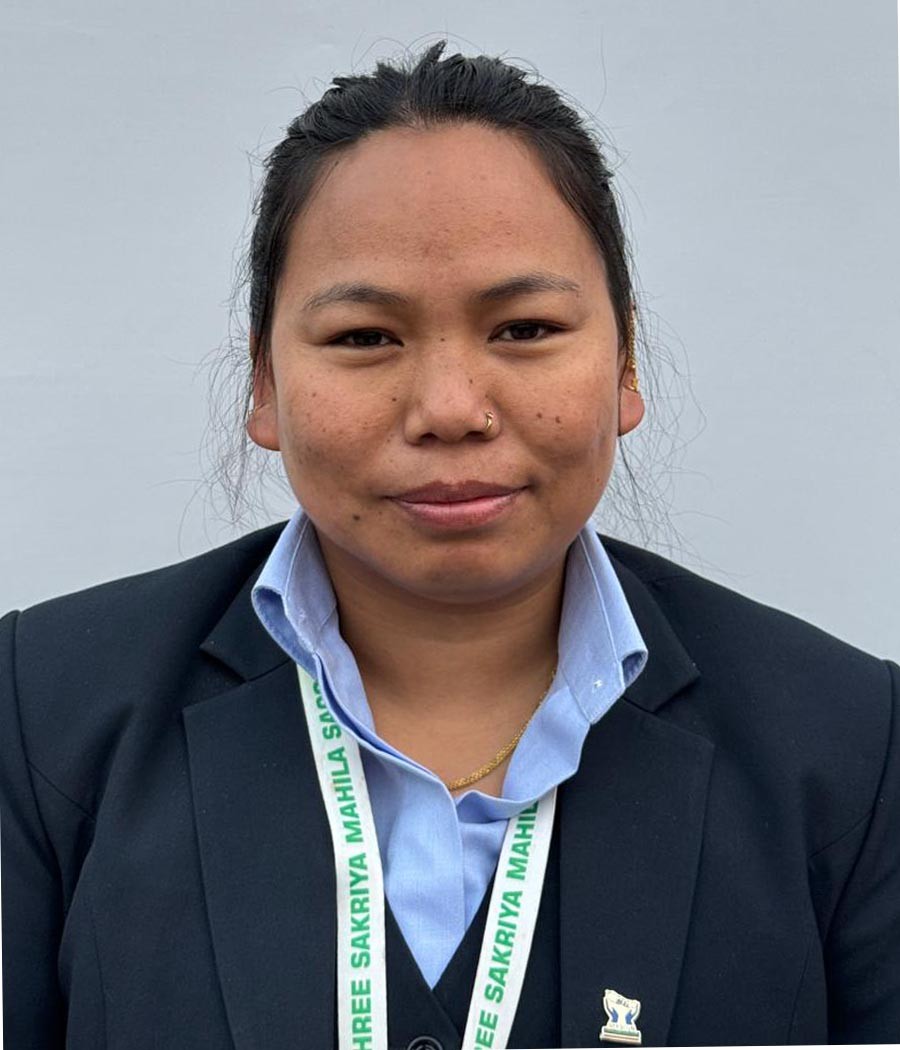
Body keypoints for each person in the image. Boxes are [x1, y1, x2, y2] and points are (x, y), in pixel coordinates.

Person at [1, 40, 898, 1049]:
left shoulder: (854, 750)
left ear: (625, 364)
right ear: (264, 384)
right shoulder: (39, 718)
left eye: (524, 329)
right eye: (364, 338)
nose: (451, 408)